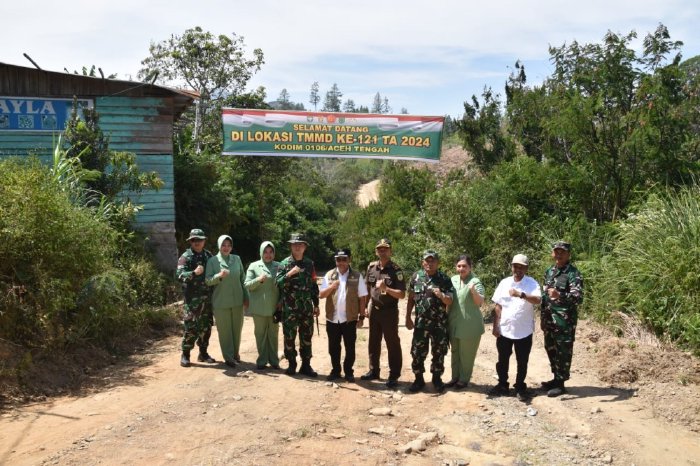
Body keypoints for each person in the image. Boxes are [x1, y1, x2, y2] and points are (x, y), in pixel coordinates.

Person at [489, 254, 542, 401]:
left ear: (526, 268)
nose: (518, 269)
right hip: (505, 329)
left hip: (523, 330)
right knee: (502, 359)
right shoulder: (504, 283)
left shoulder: (531, 283)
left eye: (521, 267)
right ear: (512, 266)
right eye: (515, 266)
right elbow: (498, 306)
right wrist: (495, 326)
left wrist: (521, 294)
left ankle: (519, 386)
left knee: (522, 360)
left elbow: (537, 300)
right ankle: (502, 384)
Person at [406, 250, 455, 393]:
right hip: (421, 323)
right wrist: (408, 316)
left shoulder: (444, 279)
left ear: (438, 263)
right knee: (417, 351)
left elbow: (450, 300)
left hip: (439, 323)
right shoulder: (416, 277)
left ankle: (437, 378)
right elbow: (410, 298)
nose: (430, 263)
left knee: (439, 351)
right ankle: (418, 379)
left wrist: (441, 295)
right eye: (427, 261)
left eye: (433, 260)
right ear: (423, 262)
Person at [361, 238, 406, 389]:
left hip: (389, 312)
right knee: (373, 341)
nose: (382, 251)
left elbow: (401, 294)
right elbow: (367, 288)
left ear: (390, 251)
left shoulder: (396, 269)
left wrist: (387, 289)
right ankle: (374, 371)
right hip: (374, 310)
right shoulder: (372, 267)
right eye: (380, 249)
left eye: (385, 249)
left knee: (392, 343)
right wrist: (366, 306)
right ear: (376, 251)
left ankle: (394, 375)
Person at [541, 241, 584, 397]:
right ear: (553, 253)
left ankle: (561, 383)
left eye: (562, 252)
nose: (558, 255)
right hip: (549, 320)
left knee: (563, 351)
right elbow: (545, 295)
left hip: (564, 322)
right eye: (556, 251)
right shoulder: (550, 271)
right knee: (550, 348)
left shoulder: (573, 273)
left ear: (568, 255)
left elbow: (578, 298)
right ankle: (555, 378)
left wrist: (560, 295)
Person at [319, 248, 369, 383]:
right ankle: (336, 371)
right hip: (332, 318)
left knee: (350, 347)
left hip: (349, 319)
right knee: (333, 347)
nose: (341, 262)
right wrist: (331, 287)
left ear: (349, 260)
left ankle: (348, 372)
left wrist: (362, 317)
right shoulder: (329, 275)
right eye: (338, 259)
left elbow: (362, 298)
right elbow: (321, 295)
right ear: (335, 260)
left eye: (344, 259)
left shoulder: (357, 276)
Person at [275, 233, 320, 377]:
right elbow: (278, 283)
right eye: (295, 244)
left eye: (300, 244)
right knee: (289, 336)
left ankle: (306, 365)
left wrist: (316, 304)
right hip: (290, 308)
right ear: (291, 246)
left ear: (305, 247)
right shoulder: (284, 264)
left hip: (306, 307)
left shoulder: (309, 263)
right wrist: (289, 274)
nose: (297, 247)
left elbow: (313, 285)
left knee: (306, 336)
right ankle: (292, 364)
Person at [205, 235, 249, 368]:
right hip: (221, 302)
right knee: (224, 331)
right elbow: (208, 280)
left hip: (237, 301)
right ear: (219, 246)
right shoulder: (213, 261)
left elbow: (243, 278)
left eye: (229, 245)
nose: (226, 248)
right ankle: (228, 357)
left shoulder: (237, 259)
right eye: (223, 245)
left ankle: (235, 354)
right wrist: (219, 276)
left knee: (237, 330)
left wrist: (246, 297)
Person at [176, 228, 215, 367]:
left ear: (204, 241)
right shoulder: (186, 257)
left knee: (206, 327)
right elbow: (179, 275)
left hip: (207, 299)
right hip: (192, 301)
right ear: (191, 241)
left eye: (199, 240)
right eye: (194, 240)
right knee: (191, 328)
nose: (197, 242)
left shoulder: (209, 256)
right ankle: (185, 354)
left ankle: (203, 353)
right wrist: (193, 272)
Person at [446, 255, 485, 390]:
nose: (461, 268)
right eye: (459, 266)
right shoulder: (453, 280)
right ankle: (454, 377)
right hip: (454, 323)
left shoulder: (475, 281)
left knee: (467, 354)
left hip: (470, 326)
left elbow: (480, 301)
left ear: (470, 267)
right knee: (455, 352)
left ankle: (463, 380)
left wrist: (473, 291)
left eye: (464, 266)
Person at [245, 241, 282, 370]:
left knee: (273, 334)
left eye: (271, 252)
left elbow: (283, 286)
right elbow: (247, 284)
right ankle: (262, 360)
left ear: (274, 253)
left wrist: (281, 302)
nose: (268, 255)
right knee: (260, 334)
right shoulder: (254, 266)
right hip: (258, 308)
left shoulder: (279, 266)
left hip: (274, 308)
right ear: (261, 252)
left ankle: (274, 361)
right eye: (265, 252)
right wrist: (258, 280)